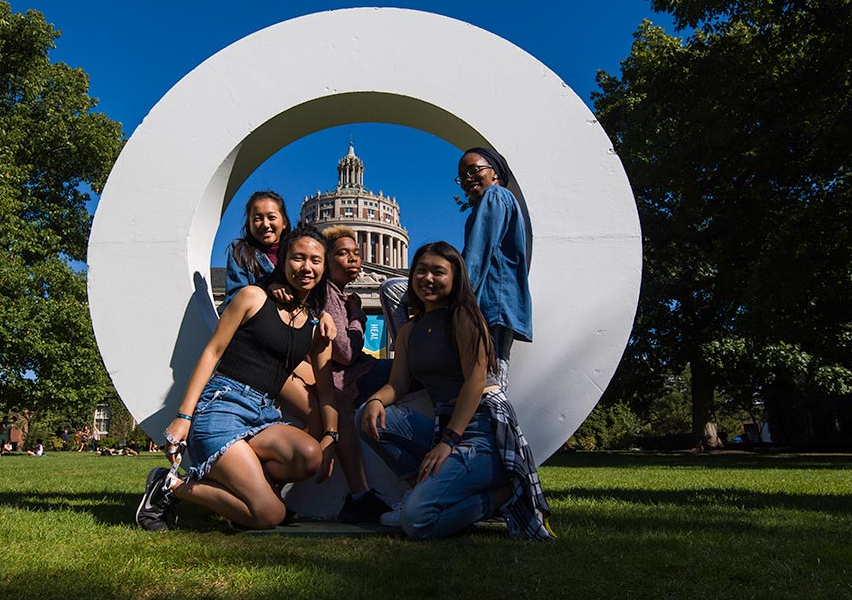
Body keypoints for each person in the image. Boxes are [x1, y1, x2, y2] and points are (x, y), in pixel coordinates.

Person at [136, 225, 340, 532]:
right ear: (283, 259)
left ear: (324, 269)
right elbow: (212, 352)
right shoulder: (253, 297)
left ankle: (250, 497)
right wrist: (184, 415)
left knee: (310, 455)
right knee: (270, 516)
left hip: (263, 416)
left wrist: (331, 437)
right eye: (298, 258)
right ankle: (170, 485)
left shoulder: (316, 327)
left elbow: (326, 391)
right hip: (221, 408)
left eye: (315, 260)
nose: (306, 267)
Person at [360, 242, 553, 540]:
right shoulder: (410, 330)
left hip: (482, 430)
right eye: (421, 271)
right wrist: (375, 400)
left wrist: (449, 441)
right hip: (444, 425)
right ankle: (420, 491)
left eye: (438, 272)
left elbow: (475, 382)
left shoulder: (464, 317)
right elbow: (398, 384)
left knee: (417, 522)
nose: (428, 279)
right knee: (366, 416)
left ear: (455, 278)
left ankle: (500, 496)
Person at [380, 147, 531, 392]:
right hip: (486, 303)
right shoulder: (485, 205)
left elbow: (475, 256)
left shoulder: (495, 196)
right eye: (462, 176)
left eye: (474, 170)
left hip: (492, 304)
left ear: (495, 173)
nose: (468, 179)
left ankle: (412, 358)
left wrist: (453, 295)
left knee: (493, 386)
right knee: (490, 380)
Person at [273, 226, 391, 523]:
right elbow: (346, 353)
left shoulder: (334, 293)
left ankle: (358, 494)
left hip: (333, 376)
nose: (353, 258)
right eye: (342, 252)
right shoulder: (327, 293)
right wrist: (358, 315)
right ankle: (361, 494)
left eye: (356, 252)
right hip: (342, 375)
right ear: (327, 259)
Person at [220, 190, 291, 310]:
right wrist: (267, 289)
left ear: (284, 222)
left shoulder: (295, 252)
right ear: (249, 223)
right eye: (257, 219)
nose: (265, 224)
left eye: (271, 217)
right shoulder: (239, 250)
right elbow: (235, 297)